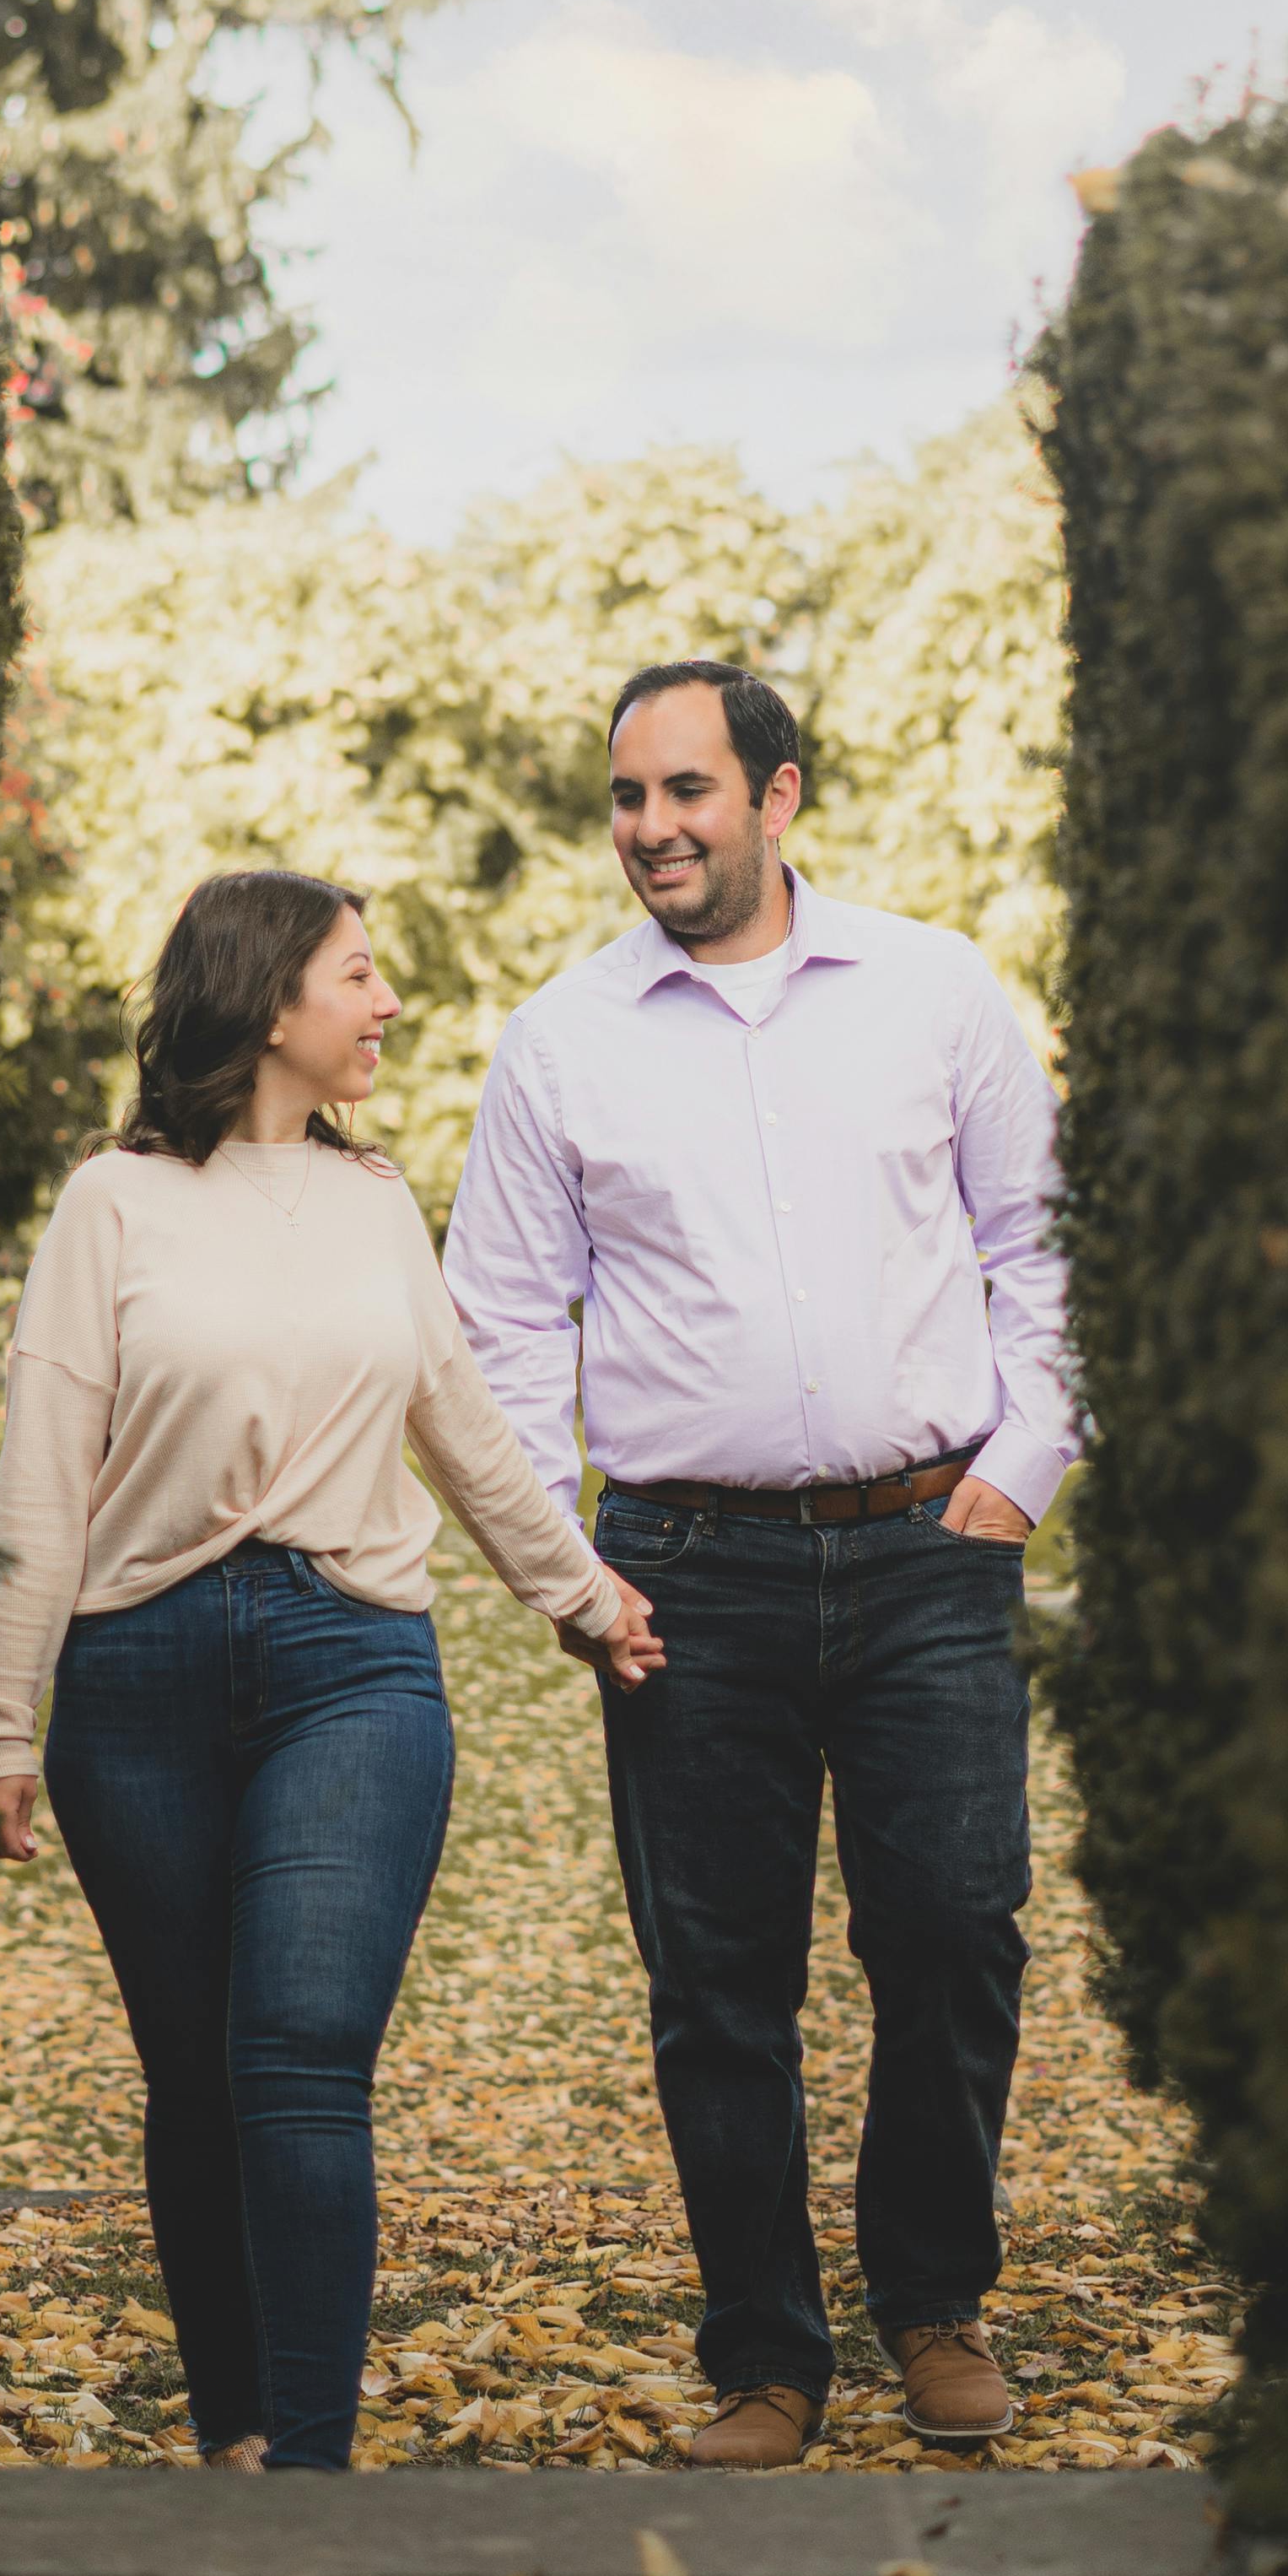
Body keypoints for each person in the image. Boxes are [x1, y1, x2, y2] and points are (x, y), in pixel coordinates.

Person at [444, 662, 1075, 2466]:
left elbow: (1039, 1247)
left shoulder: (932, 991)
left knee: (952, 1930)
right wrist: (570, 1569)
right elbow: (496, 1326)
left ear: (778, 797)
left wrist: (1021, 1469)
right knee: (718, 1981)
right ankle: (766, 2355)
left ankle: (935, 2301)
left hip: (928, 1546)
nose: (650, 827)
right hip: (680, 1575)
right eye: (626, 796)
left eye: (687, 790)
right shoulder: (563, 1039)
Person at [0, 869, 660, 2471]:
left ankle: (315, 2472)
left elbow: (466, 1430)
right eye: (360, 973)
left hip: (353, 1664)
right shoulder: (110, 1204)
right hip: (136, 1680)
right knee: (197, 2077)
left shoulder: (367, 1204)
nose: (387, 1001)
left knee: (299, 2048)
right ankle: (234, 2439)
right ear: (270, 995)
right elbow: (43, 1475)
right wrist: (3, 1720)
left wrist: (581, 1592)